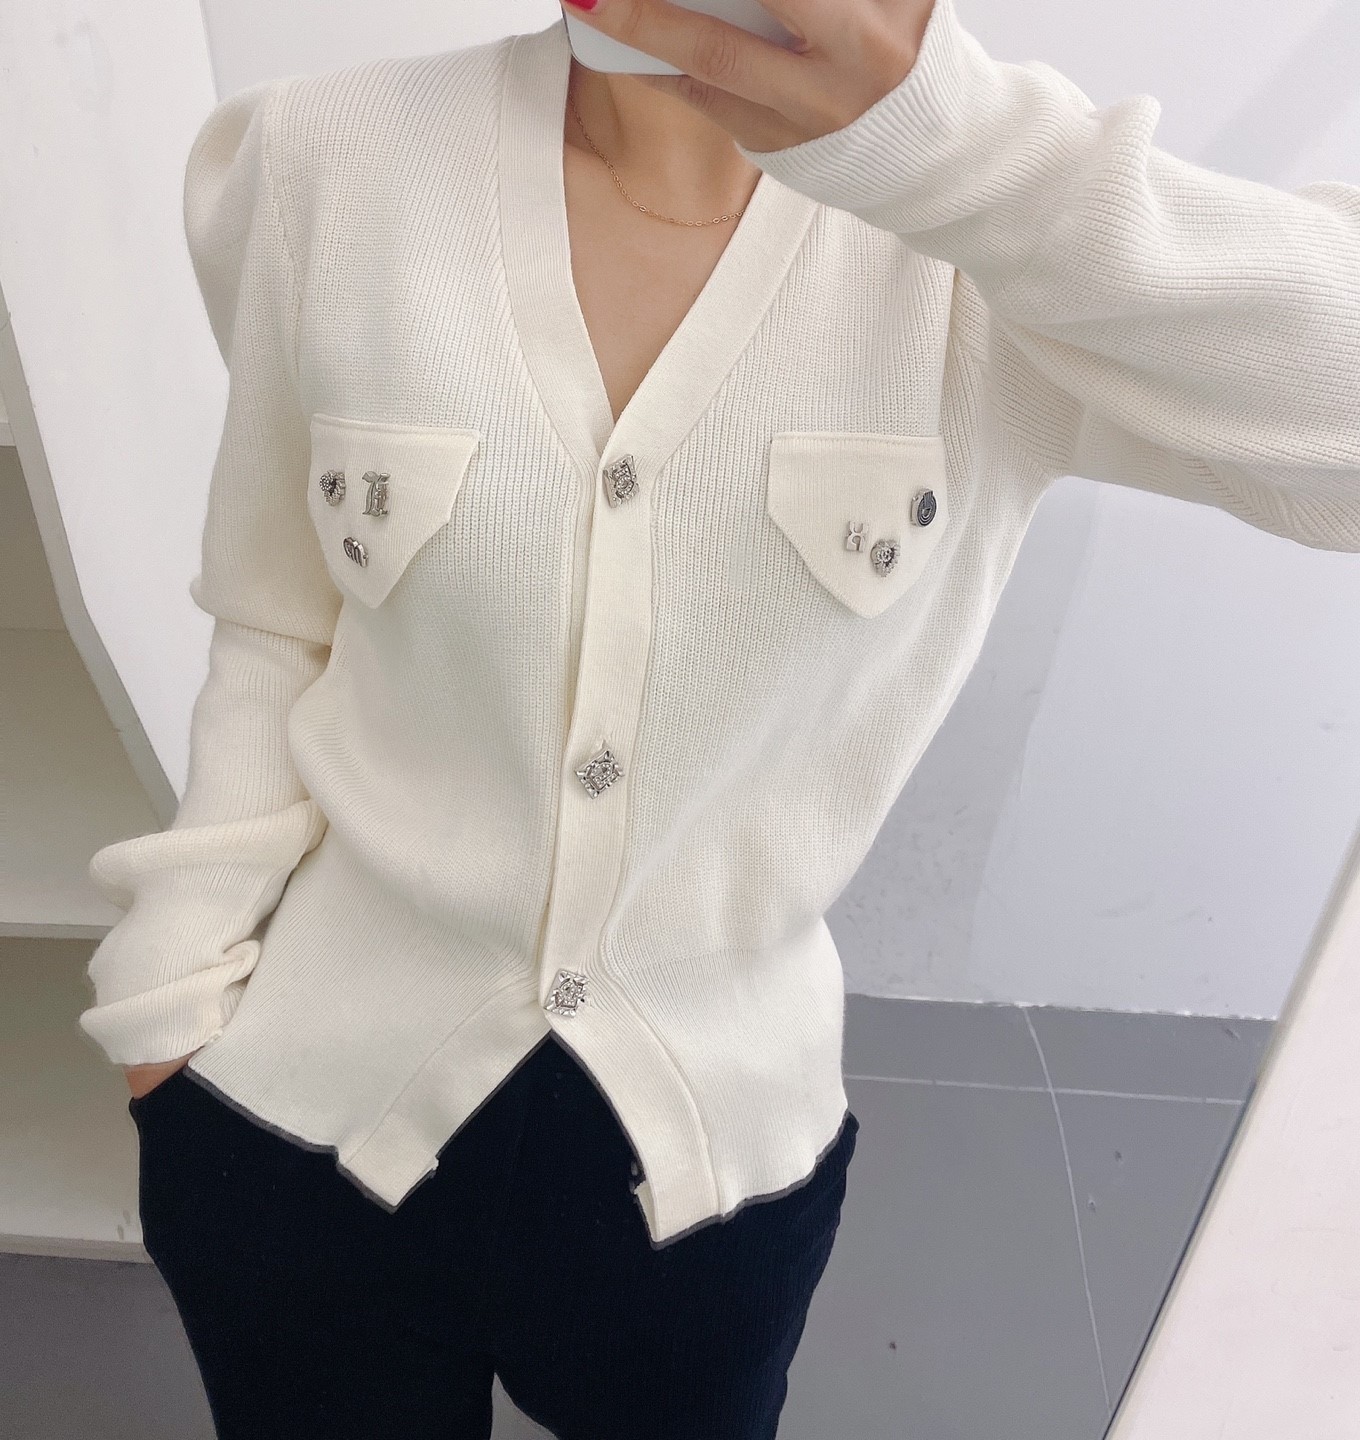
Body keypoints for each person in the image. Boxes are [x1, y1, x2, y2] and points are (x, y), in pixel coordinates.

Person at [82, 0, 1359, 1436]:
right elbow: (274, 611)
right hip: (290, 1120)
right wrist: (172, 997)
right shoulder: (325, 158)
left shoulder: (990, 241)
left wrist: (948, 137)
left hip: (707, 1181)